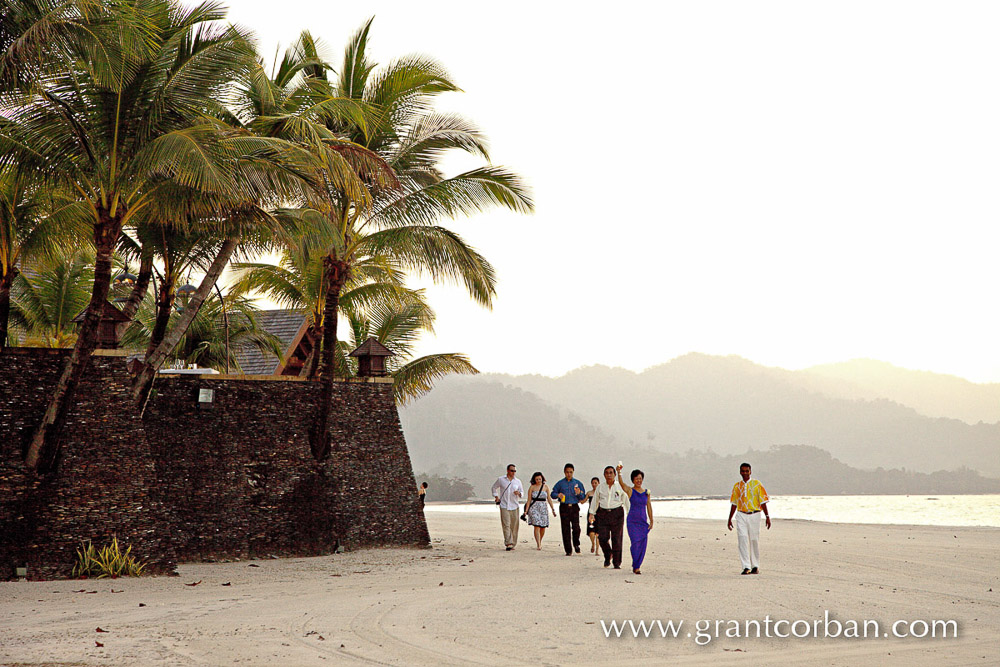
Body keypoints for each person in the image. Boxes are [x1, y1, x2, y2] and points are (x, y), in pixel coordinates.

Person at [727, 462, 771, 575]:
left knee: (754, 539)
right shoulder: (737, 486)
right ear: (740, 472)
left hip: (755, 514)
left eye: (747, 471)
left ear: (750, 471)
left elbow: (763, 501)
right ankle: (746, 566)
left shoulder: (757, 484)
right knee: (742, 538)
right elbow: (734, 503)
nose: (745, 473)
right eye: (743, 471)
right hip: (741, 514)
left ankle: (755, 565)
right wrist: (730, 518)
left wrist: (767, 516)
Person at [588, 465, 628, 569]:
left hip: (617, 513)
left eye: (611, 473)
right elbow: (595, 501)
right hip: (603, 514)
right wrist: (592, 513)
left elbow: (626, 499)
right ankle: (608, 554)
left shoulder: (619, 487)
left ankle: (617, 562)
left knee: (617, 539)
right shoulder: (600, 487)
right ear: (604, 475)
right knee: (602, 538)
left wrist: (630, 513)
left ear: (615, 474)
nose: (609, 475)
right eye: (607, 473)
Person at [617, 465, 653, 574]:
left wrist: (651, 520)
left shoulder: (646, 492)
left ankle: (637, 566)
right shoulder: (630, 491)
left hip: (643, 521)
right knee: (635, 543)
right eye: (636, 478)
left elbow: (649, 506)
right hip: (632, 521)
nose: (639, 480)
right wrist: (619, 473)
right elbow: (622, 484)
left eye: (640, 478)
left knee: (642, 543)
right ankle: (635, 564)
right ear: (633, 480)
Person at [550, 463, 587, 555]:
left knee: (576, 528)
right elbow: (552, 494)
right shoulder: (560, 483)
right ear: (564, 472)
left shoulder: (578, 483)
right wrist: (558, 495)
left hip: (574, 507)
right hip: (564, 507)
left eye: (570, 472)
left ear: (573, 472)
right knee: (565, 529)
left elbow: (582, 497)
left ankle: (576, 544)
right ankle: (568, 550)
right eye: (567, 472)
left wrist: (579, 493)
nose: (569, 474)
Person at [491, 464, 523, 551]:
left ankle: (513, 543)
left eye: (514, 471)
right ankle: (508, 543)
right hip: (504, 505)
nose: (513, 473)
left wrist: (519, 494)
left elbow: (522, 492)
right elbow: (494, 488)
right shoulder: (501, 479)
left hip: (515, 506)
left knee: (514, 526)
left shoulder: (518, 481)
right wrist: (496, 497)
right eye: (512, 471)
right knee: (506, 525)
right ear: (508, 471)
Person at [524, 472, 557, 550]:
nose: (538, 481)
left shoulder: (545, 487)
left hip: (543, 508)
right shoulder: (532, 487)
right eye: (536, 479)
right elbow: (529, 500)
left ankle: (539, 541)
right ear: (534, 480)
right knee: (537, 526)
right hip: (534, 508)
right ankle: (538, 544)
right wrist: (526, 511)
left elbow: (549, 499)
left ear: (542, 479)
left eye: (539, 479)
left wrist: (553, 509)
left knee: (543, 527)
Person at [584, 477, 600, 555]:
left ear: (598, 483)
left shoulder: (601, 493)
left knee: (598, 532)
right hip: (591, 513)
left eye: (595, 483)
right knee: (591, 531)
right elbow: (583, 501)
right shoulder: (589, 493)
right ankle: (593, 543)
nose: (594, 484)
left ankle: (597, 550)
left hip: (600, 513)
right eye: (593, 483)